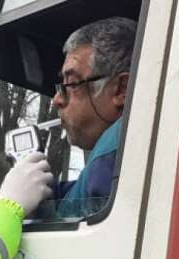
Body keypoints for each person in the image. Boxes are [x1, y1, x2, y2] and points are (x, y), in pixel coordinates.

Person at [50, 16, 136, 218]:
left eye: (71, 84)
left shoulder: (111, 157)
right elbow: (78, 192)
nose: (56, 99)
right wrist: (46, 195)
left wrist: (10, 208)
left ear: (121, 90)